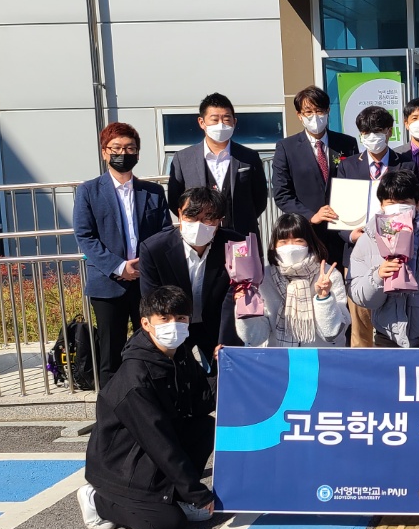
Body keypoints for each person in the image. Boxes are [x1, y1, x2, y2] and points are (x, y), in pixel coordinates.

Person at [76, 284, 216, 529]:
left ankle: (177, 496)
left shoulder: (179, 356)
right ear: (146, 323)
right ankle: (97, 499)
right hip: (121, 464)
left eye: (181, 318)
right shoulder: (135, 378)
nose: (174, 325)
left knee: (203, 426)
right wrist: (197, 492)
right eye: (164, 318)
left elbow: (202, 401)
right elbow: (158, 441)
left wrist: (226, 365)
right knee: (167, 525)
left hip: (148, 452)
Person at [73, 122, 171, 389]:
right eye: (116, 148)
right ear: (105, 152)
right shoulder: (88, 191)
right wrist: (118, 266)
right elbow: (85, 236)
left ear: (137, 153)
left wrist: (144, 265)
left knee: (150, 348)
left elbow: (164, 232)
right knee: (110, 353)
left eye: (129, 148)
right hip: (107, 285)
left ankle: (149, 402)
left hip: (146, 282)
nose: (123, 153)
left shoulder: (152, 191)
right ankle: (111, 409)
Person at [348, 168, 419, 348]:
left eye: (404, 203)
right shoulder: (367, 240)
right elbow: (361, 298)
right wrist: (378, 276)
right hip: (386, 339)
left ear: (418, 204)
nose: (397, 208)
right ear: (382, 205)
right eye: (391, 203)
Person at [138, 186, 241, 373]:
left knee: (224, 375)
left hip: (217, 324)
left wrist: (227, 340)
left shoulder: (236, 245)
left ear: (219, 220)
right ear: (179, 214)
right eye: (191, 216)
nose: (199, 224)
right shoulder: (154, 249)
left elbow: (236, 293)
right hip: (173, 323)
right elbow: (152, 299)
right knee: (173, 375)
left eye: (208, 218)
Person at [336, 105, 410, 348]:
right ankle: (362, 367)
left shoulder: (406, 164)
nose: (372, 137)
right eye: (366, 132)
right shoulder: (348, 166)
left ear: (389, 131)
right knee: (360, 319)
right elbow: (339, 211)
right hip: (358, 250)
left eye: (377, 131)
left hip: (399, 253)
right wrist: (350, 234)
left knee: (398, 315)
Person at [218, 213, 348, 349]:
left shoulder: (328, 275)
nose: (290, 247)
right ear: (274, 245)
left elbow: (332, 333)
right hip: (278, 357)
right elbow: (255, 338)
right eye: (283, 242)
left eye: (298, 241)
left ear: (309, 243)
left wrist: (324, 298)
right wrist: (245, 307)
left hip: (318, 356)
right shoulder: (263, 277)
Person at [271, 85, 359, 266]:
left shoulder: (346, 143)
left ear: (327, 111)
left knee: (342, 280)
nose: (315, 116)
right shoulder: (286, 147)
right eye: (308, 112)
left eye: (319, 111)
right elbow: (282, 194)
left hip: (343, 230)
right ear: (299, 115)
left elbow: (356, 184)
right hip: (308, 232)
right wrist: (311, 216)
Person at [166, 93, 268, 243]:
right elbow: (175, 200)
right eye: (214, 119)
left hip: (242, 236)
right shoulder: (183, 159)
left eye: (226, 119)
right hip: (199, 239)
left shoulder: (249, 157)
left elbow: (260, 199)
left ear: (234, 122)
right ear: (202, 122)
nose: (221, 125)